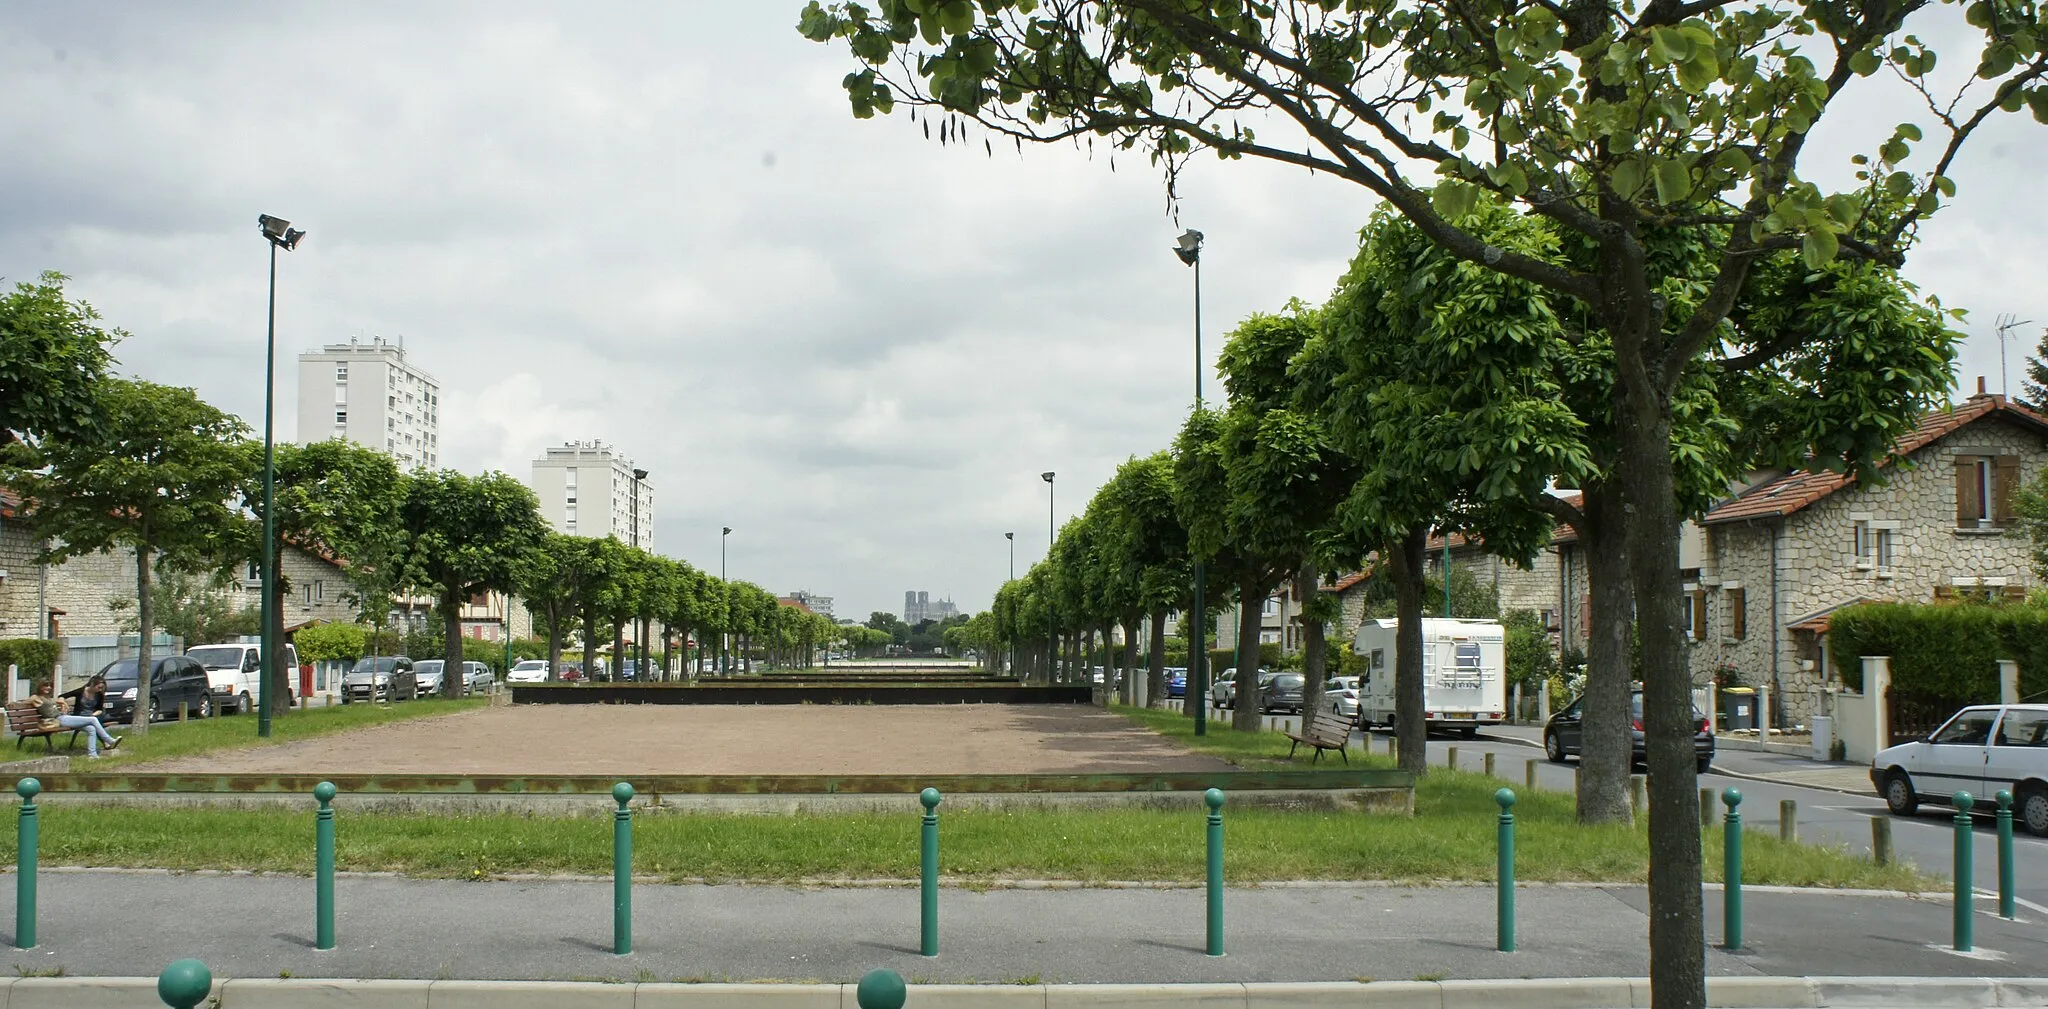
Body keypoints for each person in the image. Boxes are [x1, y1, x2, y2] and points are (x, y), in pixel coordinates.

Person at [33, 679, 120, 758]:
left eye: (50, 686)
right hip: (59, 719)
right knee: (93, 720)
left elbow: (57, 700)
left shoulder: (48, 697)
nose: (48, 688)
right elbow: (28, 701)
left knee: (91, 729)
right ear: (40, 687)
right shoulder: (35, 697)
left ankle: (92, 755)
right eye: (45, 686)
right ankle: (109, 740)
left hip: (63, 718)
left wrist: (63, 704)